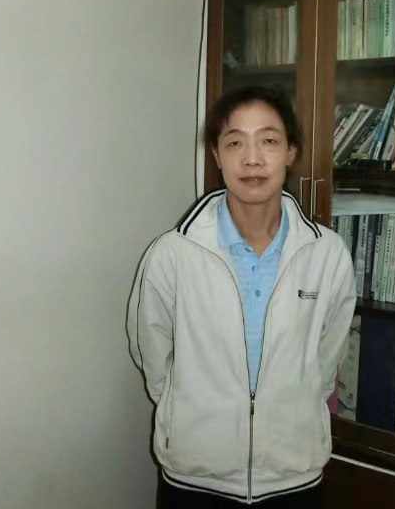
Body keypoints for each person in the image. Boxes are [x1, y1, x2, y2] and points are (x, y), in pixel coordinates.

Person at [127, 86, 356, 508]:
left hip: (293, 477)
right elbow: (152, 355)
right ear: (216, 155)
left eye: (268, 140)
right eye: (235, 143)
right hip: (195, 478)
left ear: (290, 152)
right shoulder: (173, 253)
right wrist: (188, 413)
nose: (252, 158)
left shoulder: (327, 254)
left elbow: (328, 359)